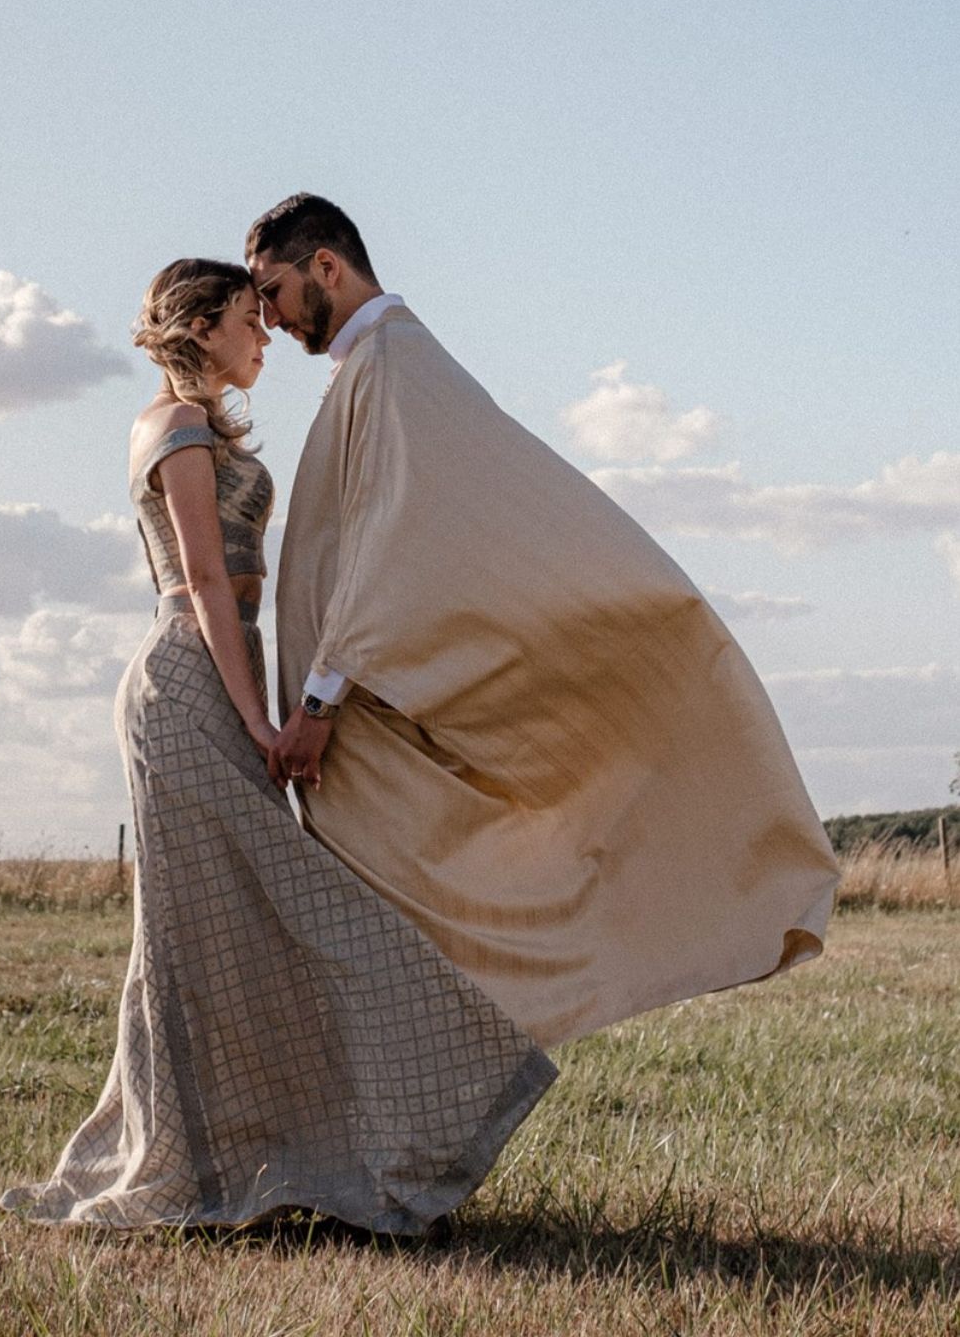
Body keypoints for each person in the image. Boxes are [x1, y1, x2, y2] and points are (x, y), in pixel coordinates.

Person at [0, 258, 555, 1233]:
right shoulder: (170, 425)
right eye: (248, 321)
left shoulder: (202, 425)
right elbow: (207, 585)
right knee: (229, 924)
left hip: (218, 678)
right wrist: (260, 719)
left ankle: (278, 1160)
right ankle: (199, 1170)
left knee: (232, 924)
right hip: (188, 687)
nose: (264, 338)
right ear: (203, 323)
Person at [245, 195, 840, 1050]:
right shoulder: (375, 365)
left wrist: (319, 703)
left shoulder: (393, 364)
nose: (266, 315)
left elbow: (396, 545)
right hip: (354, 723)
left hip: (346, 715)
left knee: (429, 920)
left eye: (272, 289)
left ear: (326, 268)